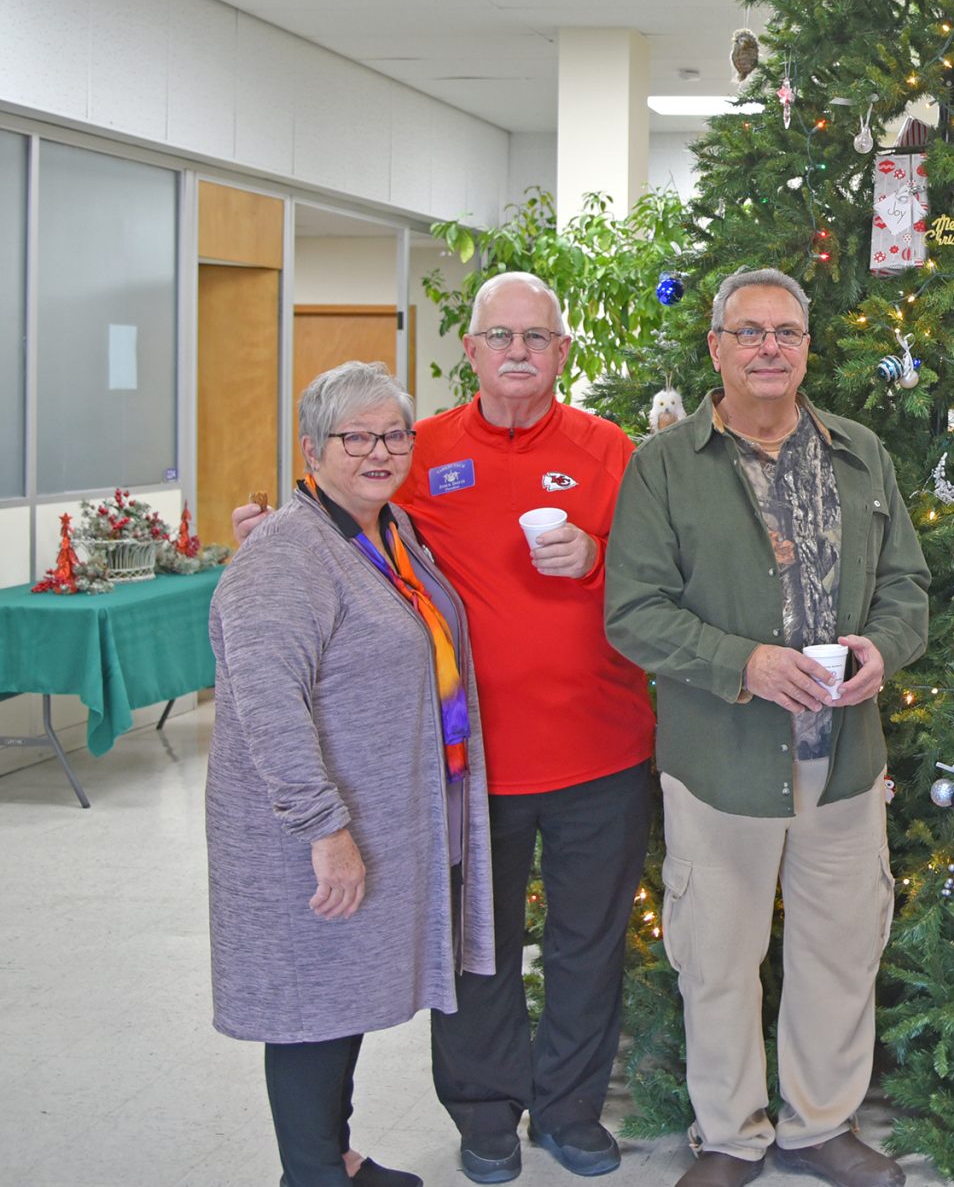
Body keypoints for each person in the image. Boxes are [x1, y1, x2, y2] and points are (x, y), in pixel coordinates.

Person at [239, 272, 654, 1184]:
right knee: (477, 951)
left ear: (562, 352)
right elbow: (339, 527)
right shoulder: (413, 448)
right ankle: (484, 1114)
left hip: (603, 748)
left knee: (589, 943)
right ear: (468, 351)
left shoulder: (609, 448)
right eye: (499, 336)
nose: (517, 352)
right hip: (465, 761)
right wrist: (269, 528)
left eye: (537, 337)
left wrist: (599, 556)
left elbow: (665, 576)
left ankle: (573, 1110)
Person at [605, 268, 930, 1187]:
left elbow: (907, 585)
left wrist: (884, 651)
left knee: (838, 949)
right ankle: (732, 1134)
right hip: (720, 764)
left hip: (844, 765)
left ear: (806, 347)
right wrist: (741, 664)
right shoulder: (665, 465)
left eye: (785, 333)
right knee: (716, 958)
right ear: (715, 348)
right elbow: (632, 610)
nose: (768, 349)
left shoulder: (859, 453)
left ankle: (821, 1125)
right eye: (748, 333)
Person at [207, 361, 493, 1187]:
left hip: (382, 810)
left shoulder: (386, 529)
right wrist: (325, 833)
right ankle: (312, 1173)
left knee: (345, 995)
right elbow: (267, 706)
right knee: (310, 1009)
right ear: (311, 449)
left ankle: (338, 1154)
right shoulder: (285, 557)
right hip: (308, 831)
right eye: (356, 436)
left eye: (394, 434)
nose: (380, 451)